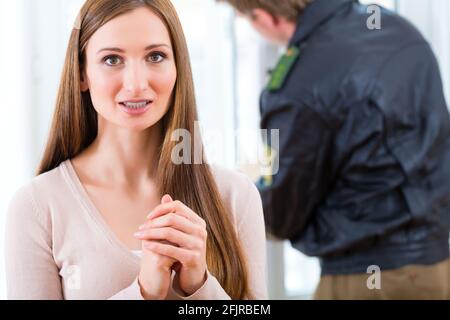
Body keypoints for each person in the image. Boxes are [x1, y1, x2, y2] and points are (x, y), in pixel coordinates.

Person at [5, 0, 267, 300]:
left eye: (155, 56)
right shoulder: (37, 208)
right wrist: (144, 293)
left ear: (178, 67)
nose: (136, 84)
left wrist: (199, 287)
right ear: (81, 74)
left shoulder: (234, 196)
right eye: (112, 60)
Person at [218, 0, 450, 299]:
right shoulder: (396, 30)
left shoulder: (301, 83)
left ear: (265, 17)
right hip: (438, 266)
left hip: (368, 281)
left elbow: (283, 213)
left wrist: (234, 194)